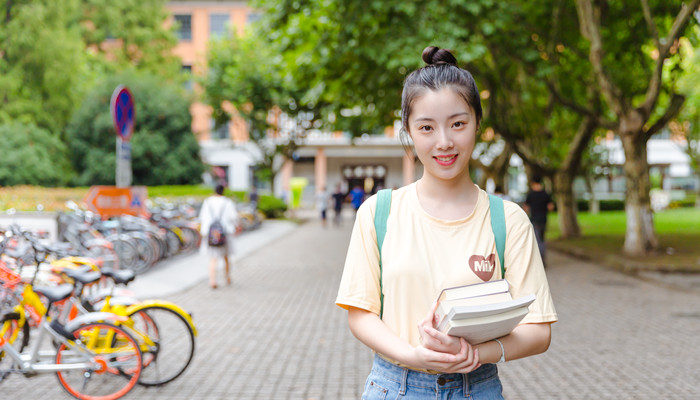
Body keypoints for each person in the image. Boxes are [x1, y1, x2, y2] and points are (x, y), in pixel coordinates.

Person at [336, 46, 557, 399]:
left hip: (477, 387)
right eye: (426, 127)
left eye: (458, 124)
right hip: (395, 386)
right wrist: (412, 354)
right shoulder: (379, 212)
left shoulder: (509, 220)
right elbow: (360, 314)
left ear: (477, 125)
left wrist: (474, 354)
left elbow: (539, 330)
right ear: (408, 130)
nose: (444, 142)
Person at [200, 184, 239, 289]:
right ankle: (227, 277)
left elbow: (203, 217)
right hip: (225, 233)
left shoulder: (208, 202)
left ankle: (212, 280)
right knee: (226, 257)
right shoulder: (227, 202)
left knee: (213, 258)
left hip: (211, 234)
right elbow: (233, 217)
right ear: (223, 191)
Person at [523, 176, 554, 267]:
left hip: (534, 219)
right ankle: (543, 259)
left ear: (533, 184)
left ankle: (539, 260)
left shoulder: (530, 195)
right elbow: (551, 207)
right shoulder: (546, 194)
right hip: (544, 219)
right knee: (542, 239)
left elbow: (526, 208)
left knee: (537, 240)